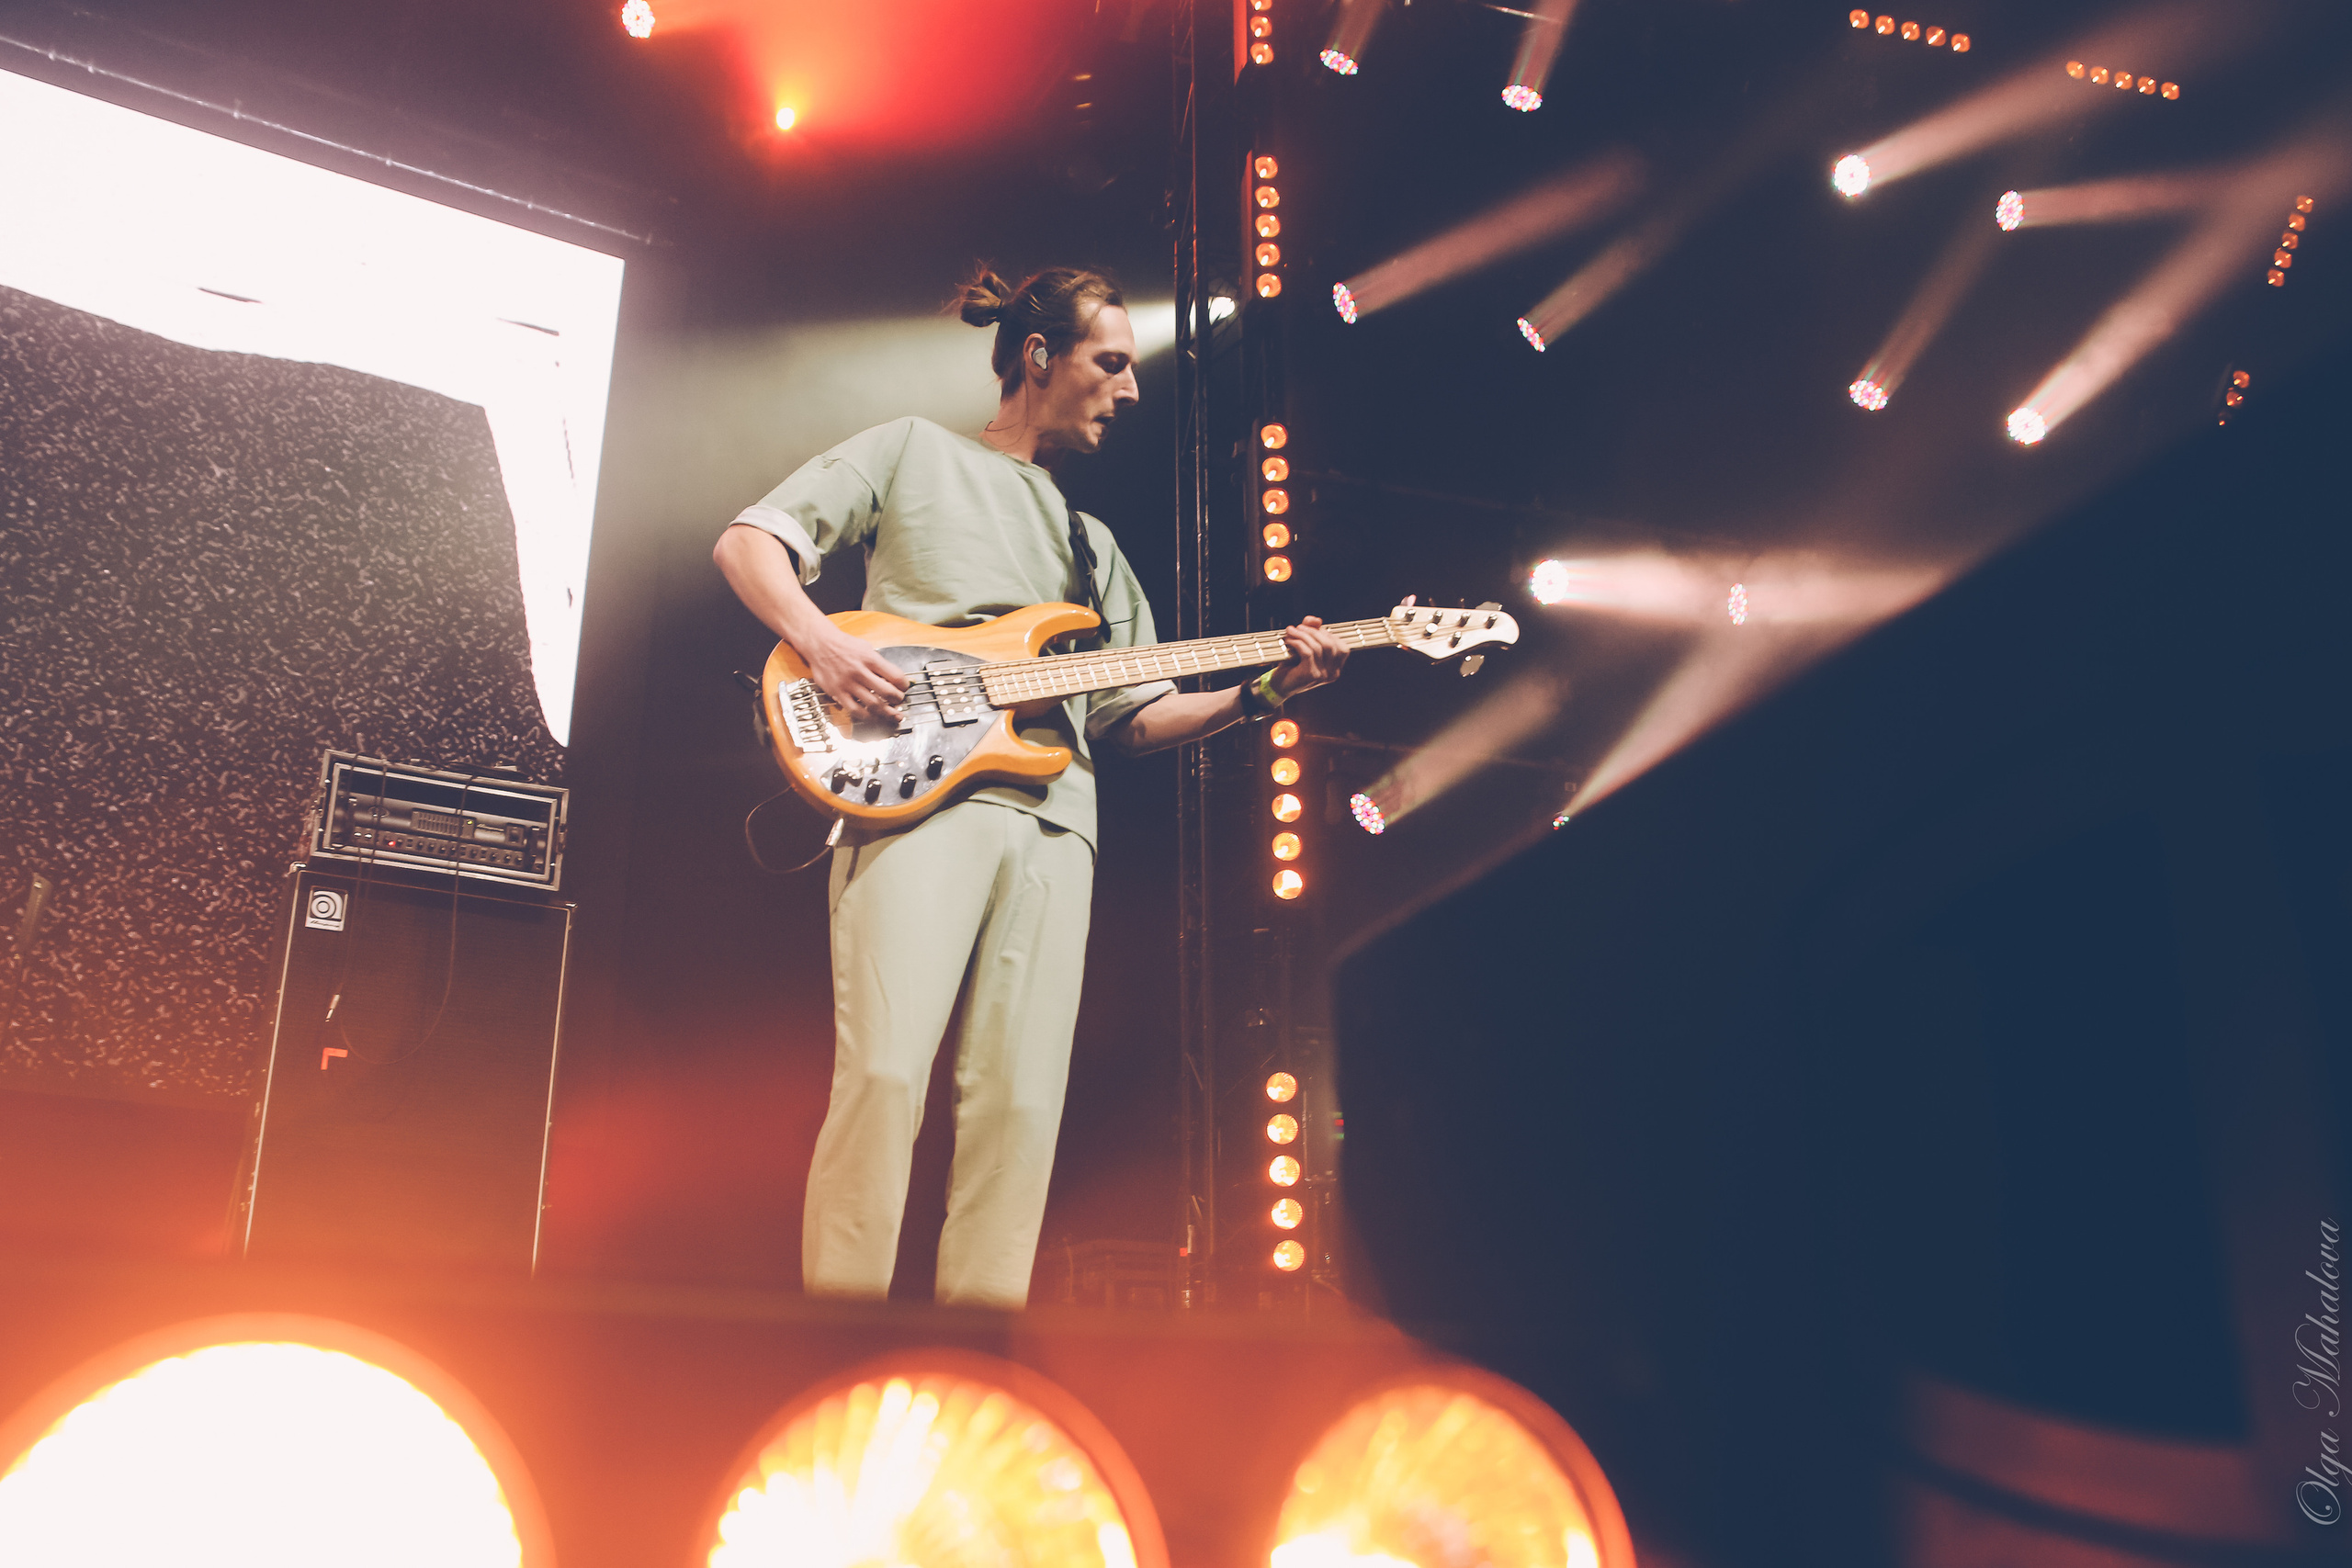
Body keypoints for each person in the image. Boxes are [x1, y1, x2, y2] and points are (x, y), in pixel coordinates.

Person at [712, 265, 1349, 1307]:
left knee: (1018, 1109)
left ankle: (977, 1360)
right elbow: (750, 543)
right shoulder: (915, 449)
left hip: (1059, 825)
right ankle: (826, 1344)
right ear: (1039, 357)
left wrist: (1264, 689)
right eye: (1110, 362)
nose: (1130, 390)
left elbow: (1135, 713)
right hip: (921, 795)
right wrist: (822, 646)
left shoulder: (1090, 548)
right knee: (881, 1077)